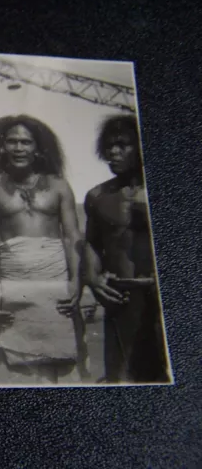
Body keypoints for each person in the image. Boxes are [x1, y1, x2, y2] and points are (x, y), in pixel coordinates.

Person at [0, 114, 85, 385]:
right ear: (1, 146)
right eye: (12, 141)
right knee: (14, 366)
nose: (18, 148)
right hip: (13, 285)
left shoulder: (59, 185)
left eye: (26, 142)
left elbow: (73, 238)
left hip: (55, 285)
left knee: (63, 364)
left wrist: (76, 282)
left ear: (38, 148)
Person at [83, 115, 170, 384]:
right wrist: (94, 279)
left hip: (160, 300)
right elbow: (91, 244)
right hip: (120, 299)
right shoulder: (98, 196)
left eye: (123, 145)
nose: (113, 152)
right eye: (109, 146)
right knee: (121, 379)